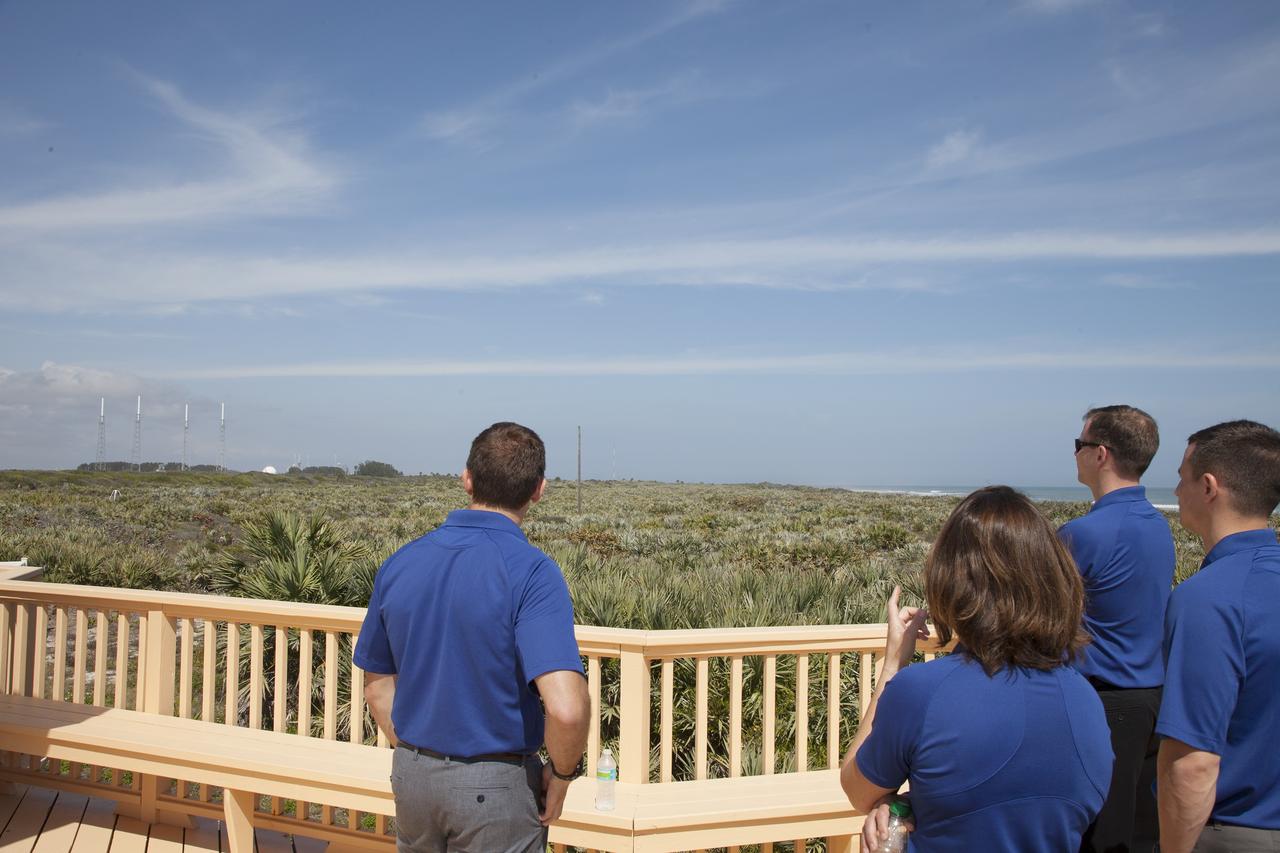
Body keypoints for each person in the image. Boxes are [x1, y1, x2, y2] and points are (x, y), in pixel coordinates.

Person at [354, 422, 590, 853]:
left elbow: (377, 686)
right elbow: (568, 710)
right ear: (539, 489)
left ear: (467, 479)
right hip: (495, 787)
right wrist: (561, 775)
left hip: (413, 777)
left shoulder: (401, 562)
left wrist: (417, 754)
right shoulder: (533, 572)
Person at [841, 486, 1113, 853]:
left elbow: (857, 787)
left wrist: (893, 662)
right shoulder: (1084, 699)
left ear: (951, 581)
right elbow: (1015, 801)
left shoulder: (921, 692)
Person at [1156, 420, 1280, 853]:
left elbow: (1193, 762)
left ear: (1209, 486)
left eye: (1180, 478)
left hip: (1234, 830)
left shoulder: (1208, 599)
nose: (1175, 492)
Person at [1060, 405, 1174, 853]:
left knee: (1095, 833)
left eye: (1079, 445)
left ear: (1101, 453)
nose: (1075, 454)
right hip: (1151, 702)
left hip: (1104, 702)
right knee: (1133, 832)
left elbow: (1035, 610)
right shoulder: (1158, 525)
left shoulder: (1085, 533)